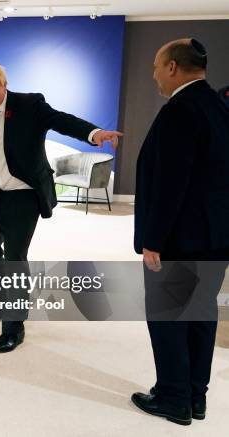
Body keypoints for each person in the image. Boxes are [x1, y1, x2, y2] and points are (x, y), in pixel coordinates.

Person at [0, 61, 121, 353]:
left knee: (14, 257)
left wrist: (94, 133)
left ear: (4, 84)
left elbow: (63, 121)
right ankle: (13, 298)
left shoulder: (29, 104)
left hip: (23, 195)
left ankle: (14, 326)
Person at [132, 38, 229, 426]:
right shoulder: (219, 106)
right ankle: (194, 394)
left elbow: (172, 183)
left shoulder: (180, 110)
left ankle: (174, 398)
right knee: (201, 315)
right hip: (216, 238)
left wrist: (152, 240)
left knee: (169, 315)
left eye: (156, 67)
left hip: (179, 240)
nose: (154, 74)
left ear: (173, 67)